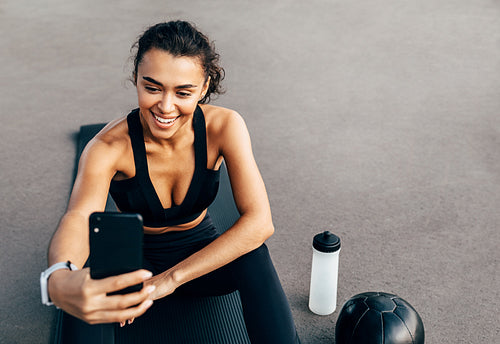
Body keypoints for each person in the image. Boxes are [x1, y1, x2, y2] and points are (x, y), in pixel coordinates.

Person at [42, 21, 299, 343]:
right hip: (133, 266)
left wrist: (171, 279)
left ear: (204, 87)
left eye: (183, 92)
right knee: (88, 281)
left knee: (254, 253)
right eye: (152, 88)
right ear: (136, 79)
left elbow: (259, 223)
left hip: (201, 259)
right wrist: (58, 276)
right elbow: (79, 217)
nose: (165, 106)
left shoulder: (225, 126)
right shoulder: (107, 147)